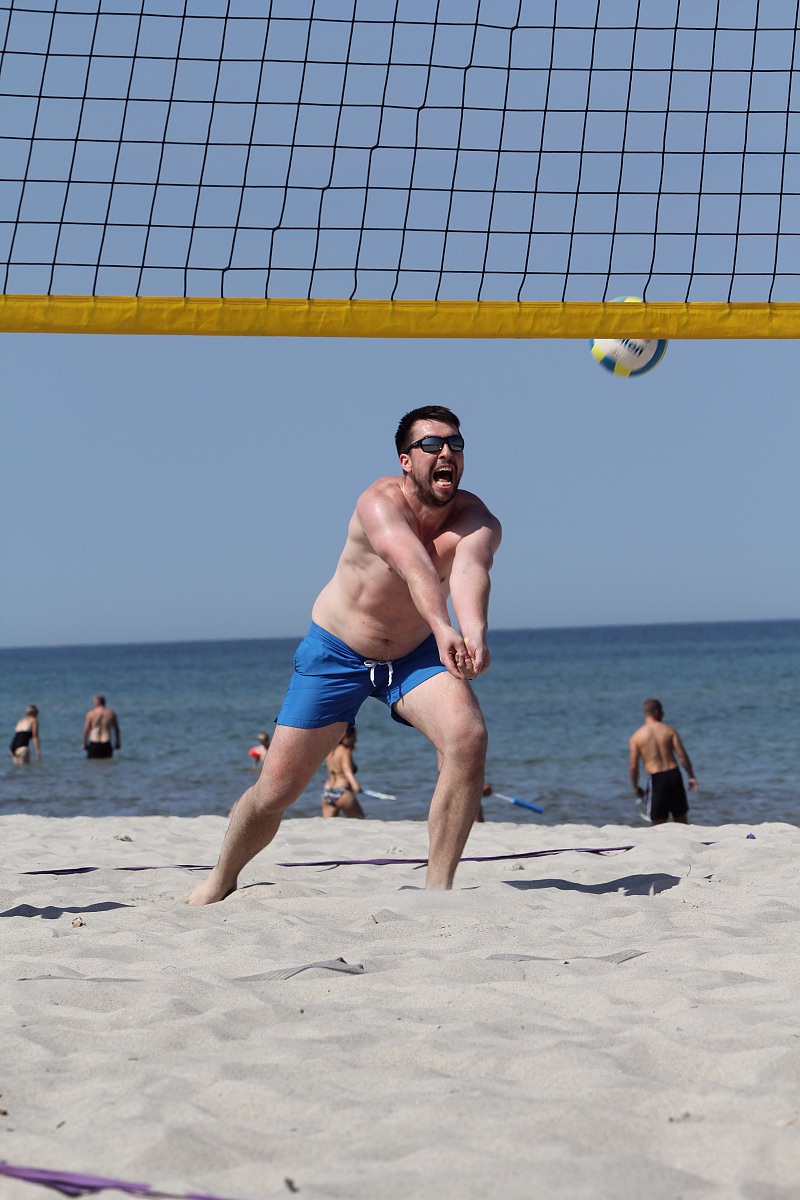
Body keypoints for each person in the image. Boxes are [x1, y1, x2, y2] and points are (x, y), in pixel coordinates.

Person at [188, 405, 501, 904]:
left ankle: (437, 891)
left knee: (468, 737)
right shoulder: (378, 503)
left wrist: (475, 633)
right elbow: (414, 567)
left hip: (413, 656)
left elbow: (469, 572)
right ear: (405, 460)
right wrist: (445, 627)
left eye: (455, 444)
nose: (446, 452)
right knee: (276, 790)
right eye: (431, 444)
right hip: (338, 653)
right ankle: (219, 879)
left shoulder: (477, 519)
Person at [629, 698, 697, 825]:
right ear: (657, 712)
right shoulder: (669, 730)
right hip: (674, 775)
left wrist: (635, 786)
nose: (663, 715)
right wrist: (691, 776)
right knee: (681, 818)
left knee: (658, 821)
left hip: (657, 779)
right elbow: (682, 755)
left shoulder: (636, 737)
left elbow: (633, 766)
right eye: (662, 712)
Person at [321, 724, 365, 818]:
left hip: (328, 790)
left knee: (327, 824)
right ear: (347, 736)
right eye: (354, 737)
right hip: (342, 791)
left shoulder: (330, 750)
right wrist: (355, 784)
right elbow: (347, 770)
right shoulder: (345, 751)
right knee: (360, 820)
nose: (355, 740)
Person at [82, 694, 121, 759]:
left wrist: (84, 743)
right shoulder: (111, 713)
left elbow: (86, 730)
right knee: (107, 763)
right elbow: (116, 729)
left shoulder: (91, 713)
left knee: (92, 763)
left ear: (95, 703)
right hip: (106, 742)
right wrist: (117, 742)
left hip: (94, 742)